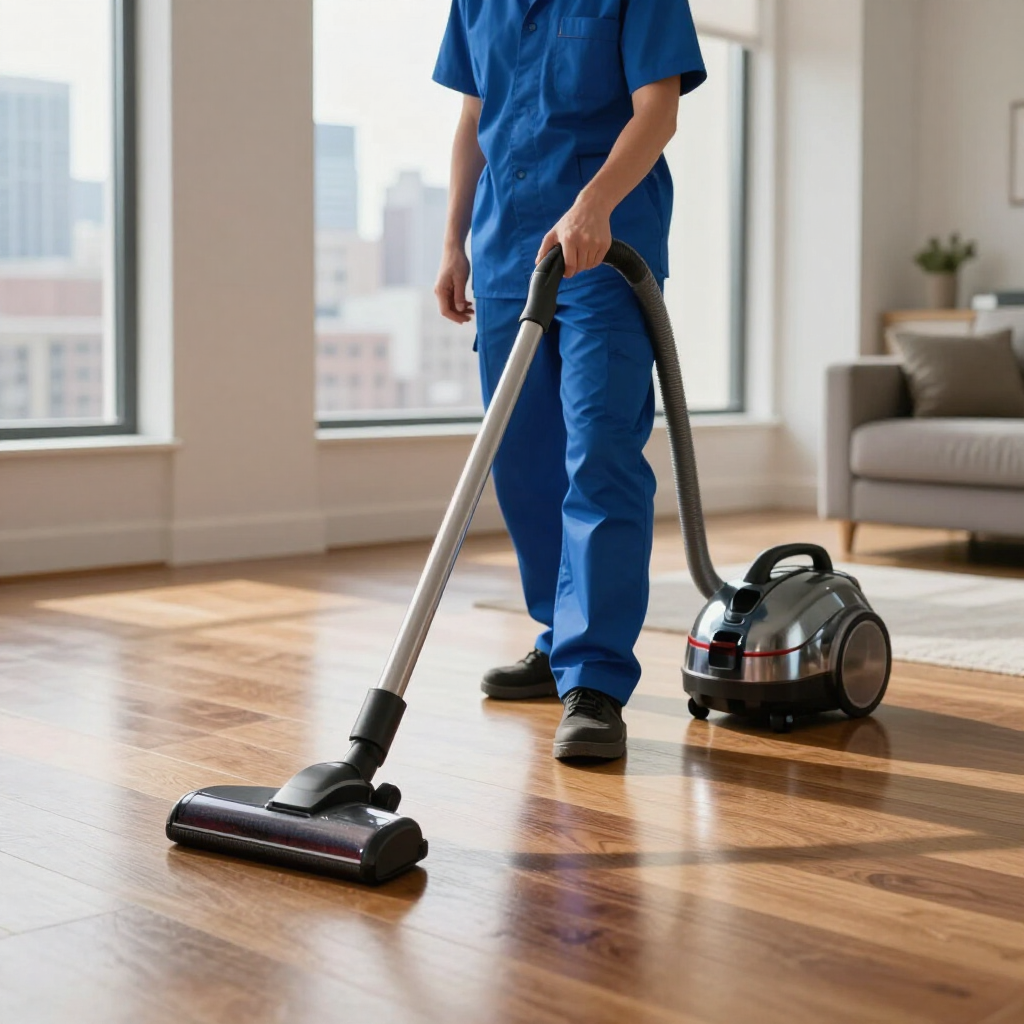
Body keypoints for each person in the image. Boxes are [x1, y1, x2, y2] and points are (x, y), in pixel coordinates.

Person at [433, 0, 706, 762]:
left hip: (605, 248)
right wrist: (453, 241)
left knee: (599, 450)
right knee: (521, 459)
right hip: (503, 249)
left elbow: (658, 110)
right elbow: (473, 120)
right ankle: (558, 642)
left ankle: (594, 678)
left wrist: (594, 204)